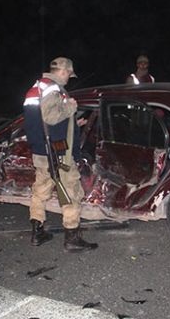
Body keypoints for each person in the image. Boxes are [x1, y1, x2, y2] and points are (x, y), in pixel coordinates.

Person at [22, 57, 98, 253]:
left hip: (41, 152)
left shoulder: (36, 88)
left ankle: (37, 233)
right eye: (69, 75)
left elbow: (42, 121)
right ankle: (72, 238)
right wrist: (71, 106)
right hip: (58, 153)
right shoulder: (52, 88)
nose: (69, 79)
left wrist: (73, 123)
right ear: (64, 71)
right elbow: (51, 116)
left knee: (40, 190)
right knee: (71, 192)